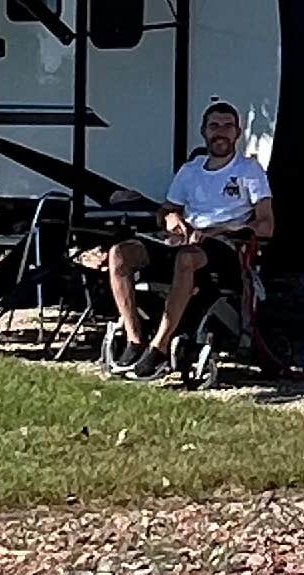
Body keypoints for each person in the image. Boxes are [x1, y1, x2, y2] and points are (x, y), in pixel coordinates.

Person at [108, 100, 275, 374]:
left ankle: (159, 346)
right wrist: (170, 218)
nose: (220, 132)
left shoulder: (249, 171)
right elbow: (166, 210)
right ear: (203, 131)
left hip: (226, 247)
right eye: (214, 126)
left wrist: (224, 230)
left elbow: (267, 225)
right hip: (184, 241)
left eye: (227, 126)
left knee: (187, 258)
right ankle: (134, 339)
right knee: (120, 253)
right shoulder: (191, 170)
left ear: (238, 132)